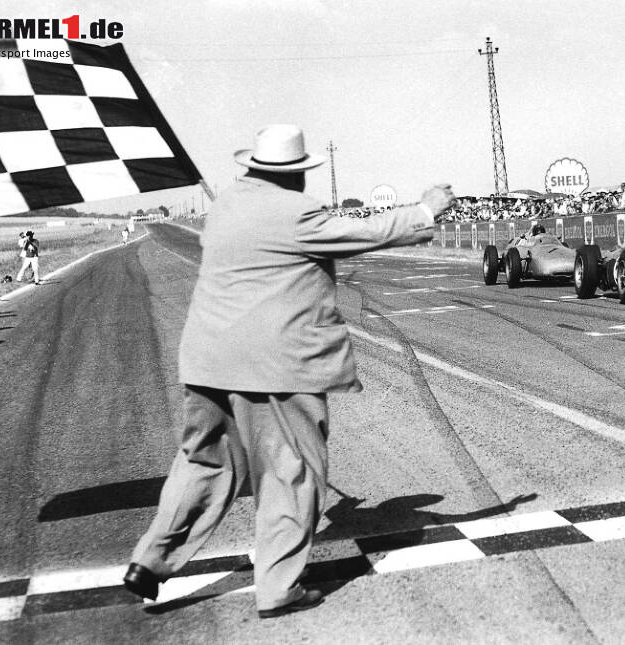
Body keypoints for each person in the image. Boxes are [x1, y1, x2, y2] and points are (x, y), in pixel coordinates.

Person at [122, 124, 454, 619]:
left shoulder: (226, 205)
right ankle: (278, 588)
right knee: (290, 473)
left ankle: (150, 560)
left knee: (203, 463)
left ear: (252, 166)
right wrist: (425, 209)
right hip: (275, 367)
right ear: (295, 174)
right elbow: (363, 232)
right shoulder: (296, 213)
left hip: (207, 360)